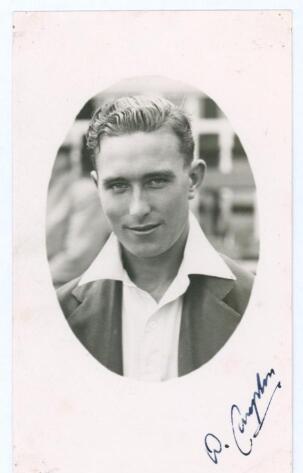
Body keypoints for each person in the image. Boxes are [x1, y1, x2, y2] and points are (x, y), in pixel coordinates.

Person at [57, 95, 253, 381]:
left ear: (194, 179)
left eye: (156, 181)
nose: (137, 209)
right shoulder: (60, 313)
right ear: (97, 187)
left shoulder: (255, 303)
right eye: (118, 186)